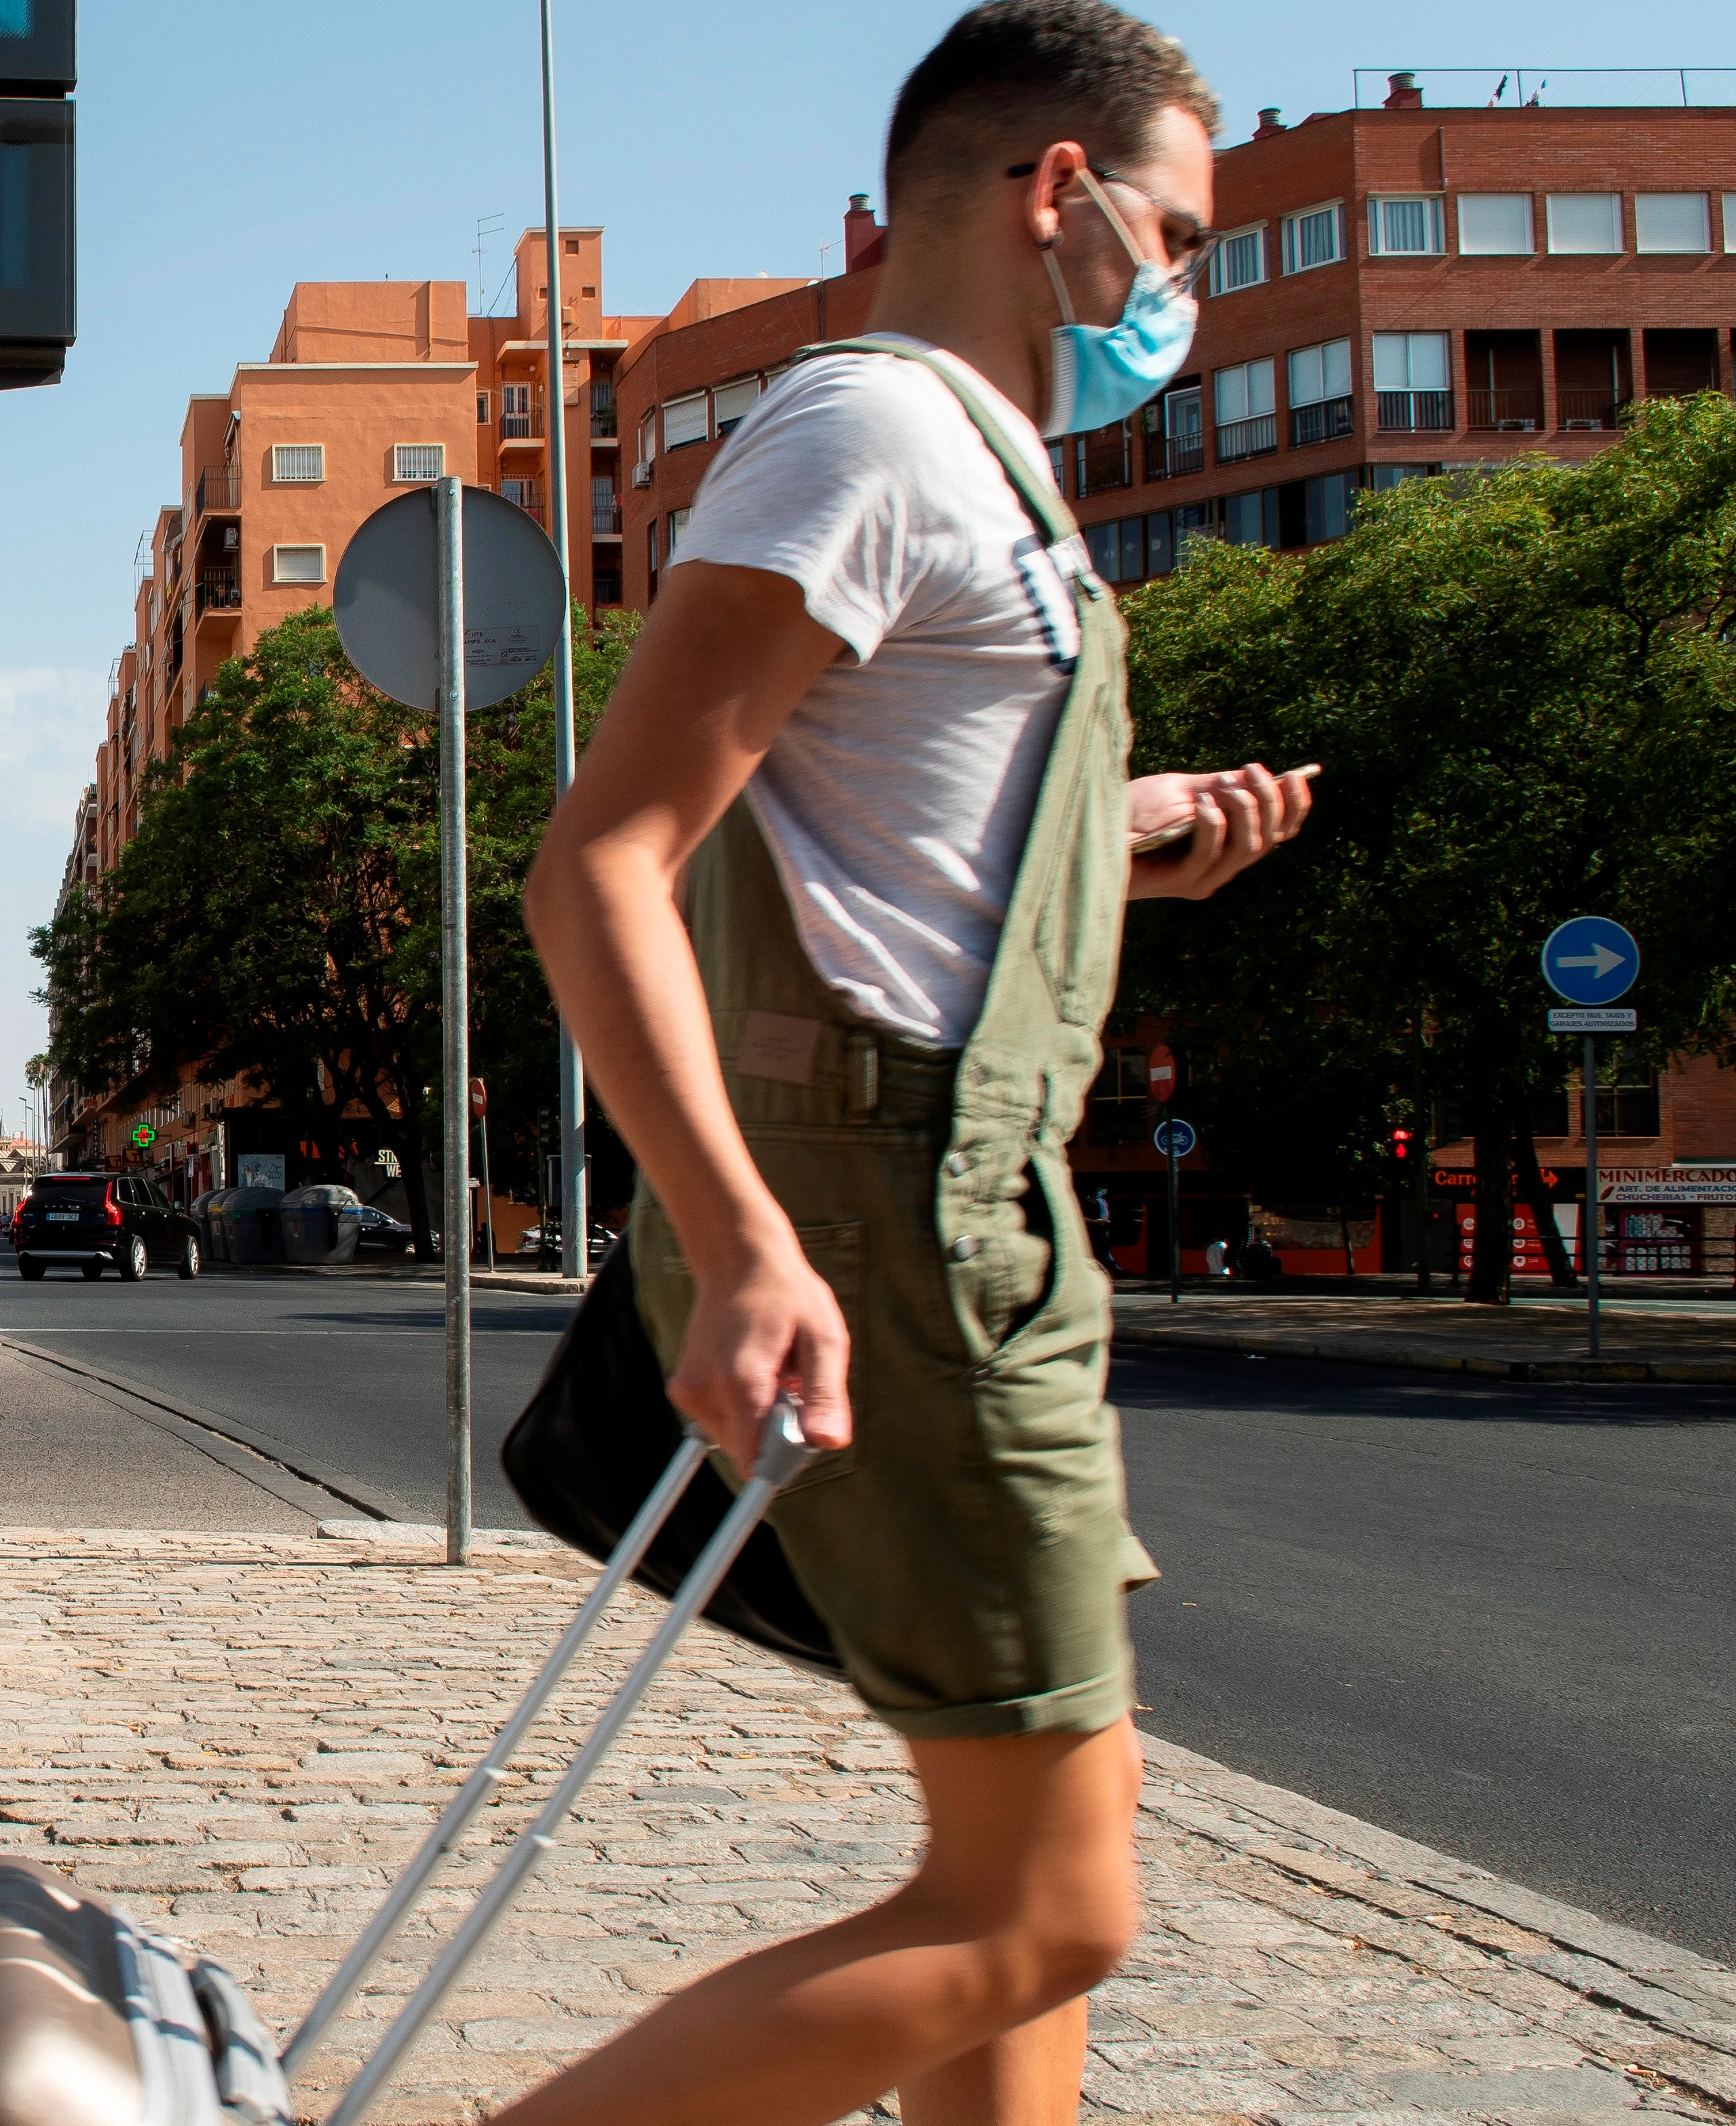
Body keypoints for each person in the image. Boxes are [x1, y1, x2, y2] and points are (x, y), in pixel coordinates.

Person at [511, 5, 1315, 2119]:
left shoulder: (990, 472)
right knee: (1049, 1909)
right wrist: (743, 1236)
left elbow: (890, 849)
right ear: (1061, 195)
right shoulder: (864, 434)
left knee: (1027, 1882)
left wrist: (1140, 848)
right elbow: (603, 862)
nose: (1187, 290)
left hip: (969, 1208)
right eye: (1181, 231)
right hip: (894, 1213)